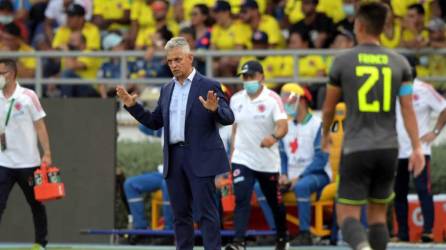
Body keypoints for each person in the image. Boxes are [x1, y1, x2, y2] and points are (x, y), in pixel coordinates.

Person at [321, 2, 425, 250]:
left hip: (357, 147)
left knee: (346, 215)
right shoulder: (400, 63)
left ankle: (362, 247)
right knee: (378, 217)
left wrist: (326, 134)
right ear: (383, 27)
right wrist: (417, 147)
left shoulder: (343, 62)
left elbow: (328, 108)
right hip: (388, 148)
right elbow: (408, 108)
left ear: (359, 25)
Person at [116, 37, 234, 250]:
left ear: (190, 58)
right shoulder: (166, 89)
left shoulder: (209, 85)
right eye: (170, 61)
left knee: (206, 214)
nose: (173, 65)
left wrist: (215, 109)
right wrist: (133, 107)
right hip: (174, 157)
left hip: (201, 157)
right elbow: (155, 122)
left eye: (178, 59)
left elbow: (229, 117)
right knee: (180, 216)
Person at [255, 83, 330, 246]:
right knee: (260, 186)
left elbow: (321, 159)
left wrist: (298, 178)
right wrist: (283, 174)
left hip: (317, 174)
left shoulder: (318, 124)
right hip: (291, 176)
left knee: (302, 186)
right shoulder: (285, 125)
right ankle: (277, 232)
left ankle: (305, 233)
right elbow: (282, 156)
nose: (285, 104)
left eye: (289, 100)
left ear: (302, 101)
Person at [225, 60, 288, 250]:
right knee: (242, 198)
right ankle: (239, 242)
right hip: (242, 159)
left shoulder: (272, 99)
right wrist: (232, 154)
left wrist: (274, 137)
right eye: (244, 77)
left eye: (251, 76)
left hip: (267, 161)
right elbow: (235, 128)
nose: (247, 80)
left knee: (274, 202)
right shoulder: (236, 99)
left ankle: (282, 237)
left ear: (261, 77)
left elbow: (283, 125)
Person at [0, 59, 52, 250]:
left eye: (1, 72)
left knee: (36, 204)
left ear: (11, 74)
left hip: (28, 162)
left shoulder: (28, 96)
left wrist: (47, 153)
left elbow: (40, 125)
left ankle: (41, 242)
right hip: (3, 161)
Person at [394, 59, 446, 243]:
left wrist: (435, 132)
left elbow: (444, 107)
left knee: (423, 189)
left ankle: (428, 231)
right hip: (399, 150)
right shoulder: (393, 89)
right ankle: (402, 234)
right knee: (398, 192)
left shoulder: (423, 88)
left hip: (420, 149)